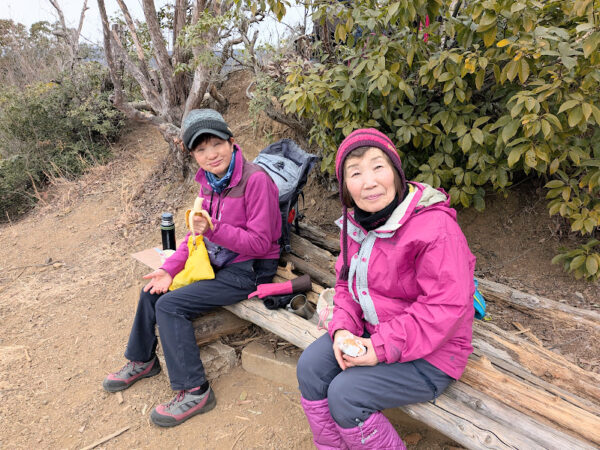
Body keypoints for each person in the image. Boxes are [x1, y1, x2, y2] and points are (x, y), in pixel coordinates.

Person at [296, 128, 476, 449]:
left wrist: (378, 348)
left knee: (346, 395)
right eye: (355, 173)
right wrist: (342, 329)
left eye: (378, 166)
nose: (369, 181)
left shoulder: (436, 228)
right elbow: (346, 285)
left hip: (434, 353)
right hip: (375, 330)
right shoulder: (358, 222)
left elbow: (445, 308)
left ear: (395, 171)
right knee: (311, 368)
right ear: (345, 187)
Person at [103, 109, 281, 427]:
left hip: (248, 270)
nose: (211, 154)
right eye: (201, 149)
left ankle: (196, 391)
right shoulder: (209, 183)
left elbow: (260, 243)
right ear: (192, 155)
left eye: (217, 144)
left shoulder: (256, 181)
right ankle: (143, 360)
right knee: (152, 291)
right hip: (218, 260)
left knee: (170, 305)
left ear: (232, 142)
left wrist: (214, 230)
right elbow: (194, 235)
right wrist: (170, 269)